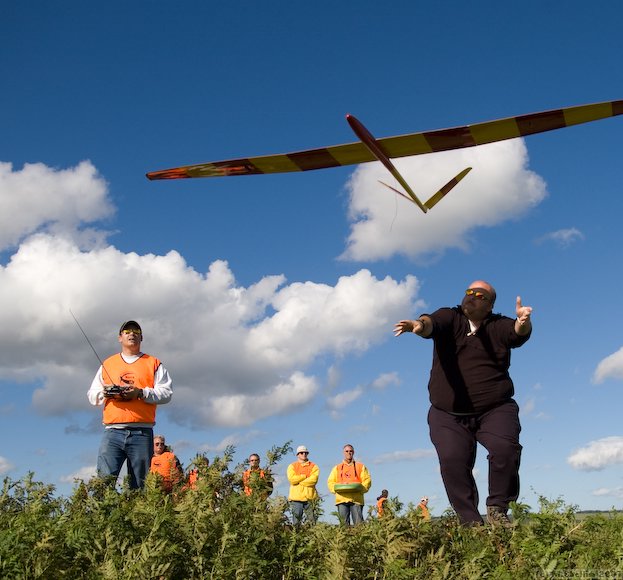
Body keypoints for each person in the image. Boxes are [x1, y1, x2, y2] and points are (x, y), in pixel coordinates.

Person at [394, 280, 532, 526]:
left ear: (489, 306)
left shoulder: (498, 325)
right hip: (447, 413)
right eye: (469, 292)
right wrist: (418, 325)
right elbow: (431, 324)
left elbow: (517, 334)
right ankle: (471, 523)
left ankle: (498, 510)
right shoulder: (451, 317)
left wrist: (523, 322)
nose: (472, 296)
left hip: (495, 408)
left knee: (505, 449)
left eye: (480, 295)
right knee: (452, 459)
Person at [87, 320, 173, 489]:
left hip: (142, 433)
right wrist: (105, 392)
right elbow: (92, 395)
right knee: (103, 483)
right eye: (127, 331)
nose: (131, 333)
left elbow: (167, 393)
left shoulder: (153, 363)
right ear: (120, 337)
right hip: (112, 432)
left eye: (136, 330)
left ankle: (136, 515)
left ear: (142, 337)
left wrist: (140, 393)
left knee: (140, 486)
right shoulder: (108, 364)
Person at [327, 444, 372, 525]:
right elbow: (330, 482)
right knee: (344, 526)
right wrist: (335, 490)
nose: (349, 453)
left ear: (353, 452)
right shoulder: (337, 468)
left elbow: (367, 480)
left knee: (359, 525)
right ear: (343, 453)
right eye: (347, 451)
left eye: (350, 451)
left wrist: (361, 489)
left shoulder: (360, 466)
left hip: (356, 500)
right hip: (341, 499)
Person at [287, 445, 319, 526]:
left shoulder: (314, 466)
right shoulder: (292, 466)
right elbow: (292, 479)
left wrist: (299, 481)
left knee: (312, 522)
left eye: (305, 453)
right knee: (296, 522)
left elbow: (313, 480)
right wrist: (304, 476)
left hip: (310, 498)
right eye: (301, 453)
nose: (304, 454)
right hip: (296, 498)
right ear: (297, 454)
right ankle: (297, 537)